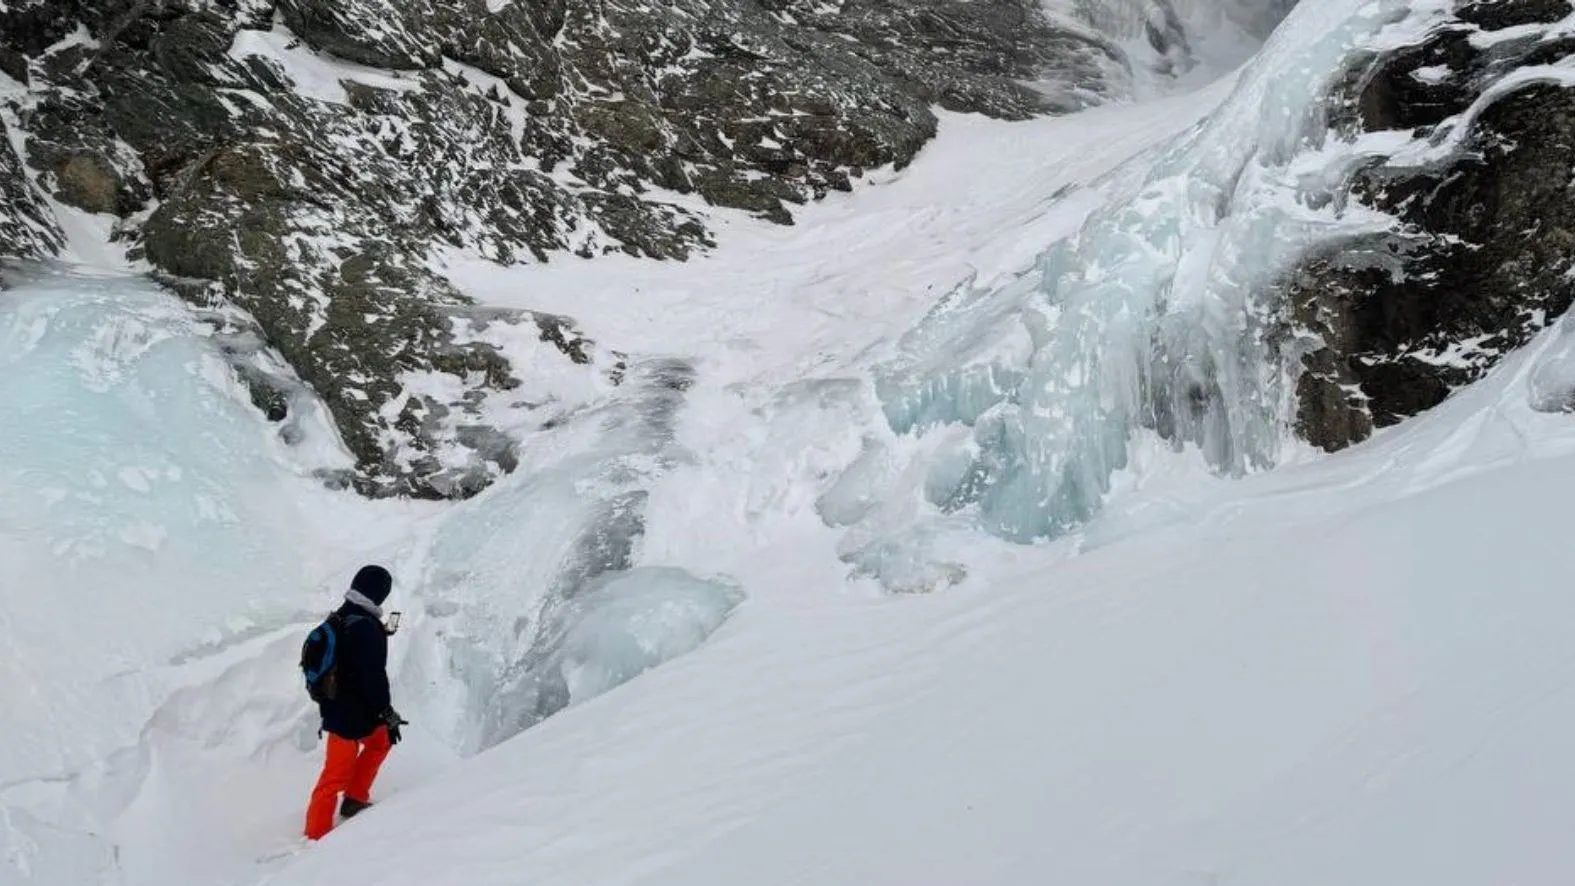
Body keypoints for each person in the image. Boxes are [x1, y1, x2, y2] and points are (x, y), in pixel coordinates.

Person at [304, 564, 407, 841]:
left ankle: (354, 799)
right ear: (379, 594)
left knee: (380, 742)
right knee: (334, 776)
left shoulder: (344, 615)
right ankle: (315, 835)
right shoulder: (365, 626)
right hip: (349, 714)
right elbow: (373, 676)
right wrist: (387, 712)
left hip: (343, 707)